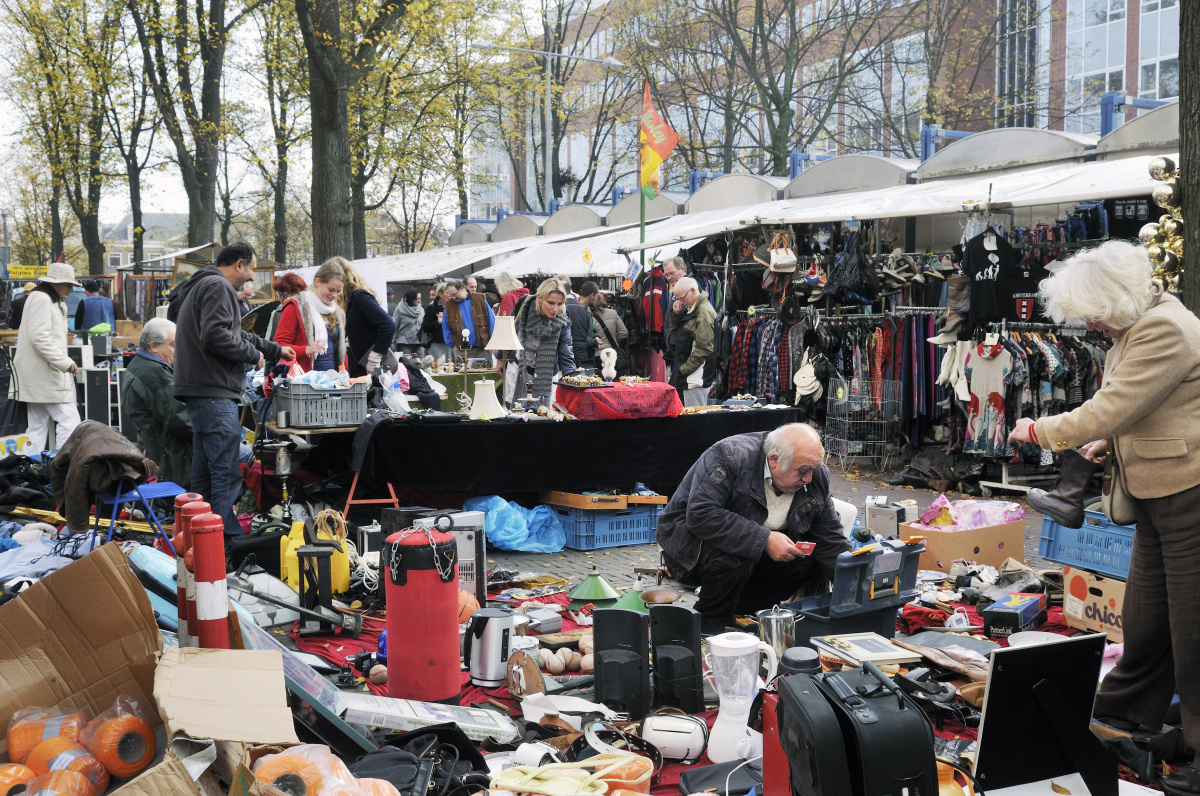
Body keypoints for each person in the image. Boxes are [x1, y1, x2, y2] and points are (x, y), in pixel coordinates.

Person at [1006, 241, 1200, 791]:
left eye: (1091, 310)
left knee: (1193, 631)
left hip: (1190, 492)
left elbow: (1110, 407)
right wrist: (1103, 441)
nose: (1087, 322)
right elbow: (1135, 406)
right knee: (1148, 620)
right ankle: (1124, 716)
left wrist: (1042, 431)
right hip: (1162, 490)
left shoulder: (1165, 330)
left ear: (1114, 299)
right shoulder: (1140, 327)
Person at [657, 423, 849, 634]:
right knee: (740, 548)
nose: (809, 478)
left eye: (813, 469)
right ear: (774, 460)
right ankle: (711, 621)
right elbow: (701, 514)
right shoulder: (728, 456)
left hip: (751, 561)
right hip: (689, 547)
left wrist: (855, 585)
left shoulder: (815, 474)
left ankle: (748, 611)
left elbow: (830, 539)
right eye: (803, 470)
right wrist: (765, 539)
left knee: (811, 556)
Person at [174, 241, 296, 536]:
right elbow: (216, 335)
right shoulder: (218, 287)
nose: (253, 276)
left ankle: (199, 538)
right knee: (225, 469)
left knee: (204, 473)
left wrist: (273, 349)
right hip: (214, 390)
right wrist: (253, 355)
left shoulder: (203, 285)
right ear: (239, 264)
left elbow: (234, 332)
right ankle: (224, 540)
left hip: (202, 389)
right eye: (252, 268)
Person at [10, 263, 82, 452]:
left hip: (38, 372)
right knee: (69, 419)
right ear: (56, 284)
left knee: (37, 426)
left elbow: (38, 337)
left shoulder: (43, 297)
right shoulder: (43, 299)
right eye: (68, 284)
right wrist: (64, 362)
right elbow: (39, 337)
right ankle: (61, 467)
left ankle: (33, 469)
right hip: (45, 373)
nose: (71, 288)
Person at [121, 318, 192, 488]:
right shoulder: (154, 374)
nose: (178, 350)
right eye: (173, 345)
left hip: (161, 451)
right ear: (153, 346)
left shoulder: (141, 364)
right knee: (240, 455)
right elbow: (182, 421)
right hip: (172, 455)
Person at [273, 260, 347, 372]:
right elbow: (279, 346)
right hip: (303, 382)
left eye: (338, 291)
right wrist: (306, 350)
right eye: (331, 290)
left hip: (334, 382)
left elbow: (341, 351)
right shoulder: (295, 306)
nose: (334, 295)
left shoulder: (338, 312)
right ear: (317, 282)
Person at [515, 278, 576, 405]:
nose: (555, 309)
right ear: (539, 298)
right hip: (519, 369)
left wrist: (570, 377)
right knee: (516, 411)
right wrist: (500, 358)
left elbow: (566, 350)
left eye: (560, 304)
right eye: (551, 303)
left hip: (547, 374)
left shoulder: (563, 321)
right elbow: (508, 328)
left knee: (544, 412)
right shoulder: (525, 304)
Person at [334, 257, 395, 378]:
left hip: (366, 367)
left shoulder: (359, 296)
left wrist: (374, 358)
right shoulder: (353, 300)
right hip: (359, 364)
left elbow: (388, 325)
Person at [669, 277, 717, 407]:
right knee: (691, 420)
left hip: (695, 379)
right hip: (689, 377)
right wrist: (676, 314)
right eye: (678, 299)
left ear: (692, 291)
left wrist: (683, 370)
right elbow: (677, 338)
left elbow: (704, 348)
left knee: (696, 421)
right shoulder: (693, 309)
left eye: (682, 298)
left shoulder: (703, 312)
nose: (681, 302)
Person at [441, 277, 495, 366]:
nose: (453, 298)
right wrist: (453, 346)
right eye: (451, 295)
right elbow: (446, 329)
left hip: (483, 349)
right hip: (462, 351)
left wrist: (493, 343)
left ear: (462, 288)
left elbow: (491, 321)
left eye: (455, 294)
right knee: (464, 379)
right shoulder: (449, 306)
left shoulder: (480, 299)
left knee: (485, 378)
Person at [565, 281, 599, 369]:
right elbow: (577, 335)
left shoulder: (588, 310)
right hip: (578, 355)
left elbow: (591, 329)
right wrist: (593, 342)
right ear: (592, 295)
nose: (597, 298)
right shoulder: (573, 308)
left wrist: (597, 337)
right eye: (596, 295)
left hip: (587, 356)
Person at [267, 272, 308, 341]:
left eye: (283, 296)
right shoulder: (277, 313)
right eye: (278, 295)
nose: (279, 299)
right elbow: (269, 339)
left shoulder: (310, 311)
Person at [593, 292, 628, 368]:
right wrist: (614, 339)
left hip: (596, 355)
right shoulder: (613, 313)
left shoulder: (589, 317)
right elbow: (624, 333)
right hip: (612, 353)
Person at [422, 283, 453, 364]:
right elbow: (425, 327)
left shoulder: (453, 307)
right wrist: (438, 322)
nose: (450, 295)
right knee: (438, 367)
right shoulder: (431, 308)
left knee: (451, 368)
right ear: (440, 294)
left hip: (451, 343)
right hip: (437, 344)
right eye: (447, 293)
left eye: (451, 293)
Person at [392, 288, 424, 356]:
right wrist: (392, 343)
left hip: (419, 342)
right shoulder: (400, 309)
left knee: (421, 364)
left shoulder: (421, 310)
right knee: (407, 364)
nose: (419, 301)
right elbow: (394, 327)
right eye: (417, 299)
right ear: (411, 299)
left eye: (420, 298)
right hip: (405, 343)